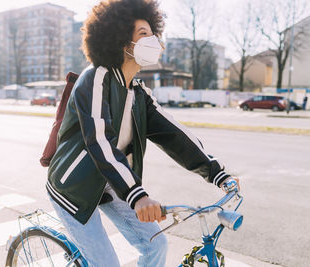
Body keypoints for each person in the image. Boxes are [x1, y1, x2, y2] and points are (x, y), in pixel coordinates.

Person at [46, 0, 240, 266]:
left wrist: (217, 172)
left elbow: (175, 135)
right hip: (74, 187)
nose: (154, 40)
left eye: (153, 33)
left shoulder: (138, 93)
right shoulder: (95, 78)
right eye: (143, 34)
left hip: (112, 183)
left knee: (156, 244)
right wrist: (138, 196)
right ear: (122, 41)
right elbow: (100, 141)